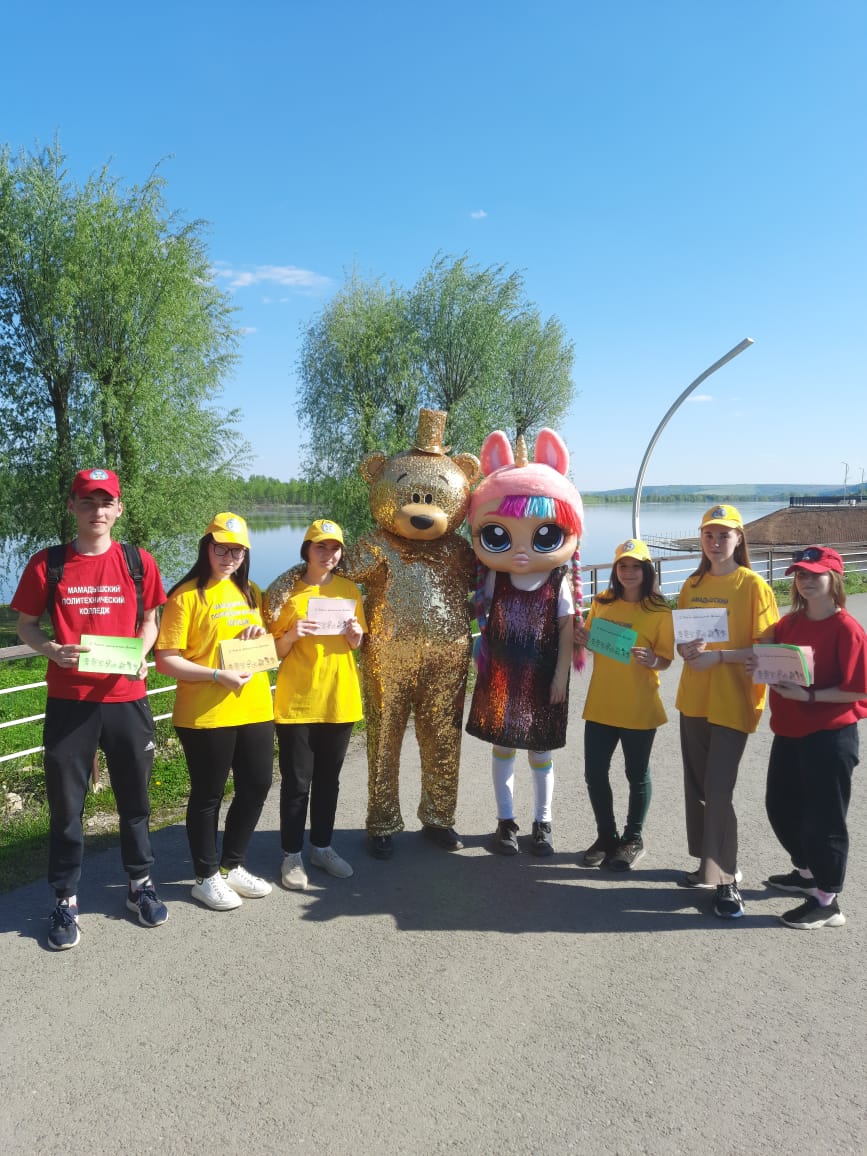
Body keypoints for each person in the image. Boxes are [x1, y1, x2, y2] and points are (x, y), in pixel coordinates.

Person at [12, 468, 168, 950]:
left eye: (105, 502)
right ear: (72, 506)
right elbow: (25, 626)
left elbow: (150, 620)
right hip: (70, 701)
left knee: (135, 801)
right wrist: (51, 650)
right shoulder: (48, 564)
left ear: (118, 509)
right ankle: (66, 899)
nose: (97, 511)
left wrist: (141, 652)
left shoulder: (138, 561)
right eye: (87, 501)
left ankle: (139, 885)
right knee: (66, 808)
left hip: (126, 699)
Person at [466, 428, 583, 857]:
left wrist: (560, 677)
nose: (519, 550)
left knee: (540, 752)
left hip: (542, 676)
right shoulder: (493, 579)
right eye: (499, 536)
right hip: (500, 675)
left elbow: (567, 630)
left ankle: (543, 821)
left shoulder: (557, 580)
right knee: (503, 748)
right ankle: (505, 820)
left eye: (544, 535)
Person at [154, 513, 274, 911]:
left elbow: (256, 644)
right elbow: (166, 660)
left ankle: (232, 865)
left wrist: (256, 636)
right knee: (208, 795)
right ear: (206, 547)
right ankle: (205, 877)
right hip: (205, 713)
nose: (229, 557)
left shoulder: (250, 592)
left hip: (254, 706)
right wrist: (216, 675)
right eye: (221, 548)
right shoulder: (185, 595)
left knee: (256, 786)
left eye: (237, 550)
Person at [676, 504, 779, 919]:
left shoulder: (753, 586)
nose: (715, 542)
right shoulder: (692, 584)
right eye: (709, 535)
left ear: (739, 539)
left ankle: (728, 879)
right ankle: (707, 865)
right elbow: (683, 641)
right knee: (698, 789)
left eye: (724, 535)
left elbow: (766, 648)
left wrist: (719, 658)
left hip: (734, 700)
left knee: (718, 791)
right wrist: (687, 649)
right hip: (694, 699)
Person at [759, 547, 867, 929]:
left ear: (833, 579)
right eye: (800, 574)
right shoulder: (789, 623)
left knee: (825, 819)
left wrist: (808, 696)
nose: (806, 581)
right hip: (789, 730)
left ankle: (827, 900)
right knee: (780, 806)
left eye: (815, 574)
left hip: (830, 734)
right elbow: (764, 654)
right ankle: (806, 873)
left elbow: (859, 689)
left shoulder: (847, 628)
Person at [264, 519, 366, 890]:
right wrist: (292, 634)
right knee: (296, 783)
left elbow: (355, 644)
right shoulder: (286, 593)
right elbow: (273, 652)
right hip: (297, 702)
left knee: (328, 781)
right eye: (321, 546)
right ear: (306, 549)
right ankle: (291, 854)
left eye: (335, 548)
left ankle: (322, 847)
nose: (328, 554)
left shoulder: (349, 590)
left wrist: (355, 634)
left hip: (339, 699)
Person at [576, 539, 674, 871]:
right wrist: (584, 639)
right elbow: (594, 641)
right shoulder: (603, 601)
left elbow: (666, 660)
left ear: (647, 570)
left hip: (639, 704)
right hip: (601, 702)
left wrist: (653, 659)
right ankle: (607, 837)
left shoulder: (659, 610)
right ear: (615, 569)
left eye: (635, 566)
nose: (628, 572)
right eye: (623, 566)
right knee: (594, 773)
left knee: (636, 774)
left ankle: (633, 839)